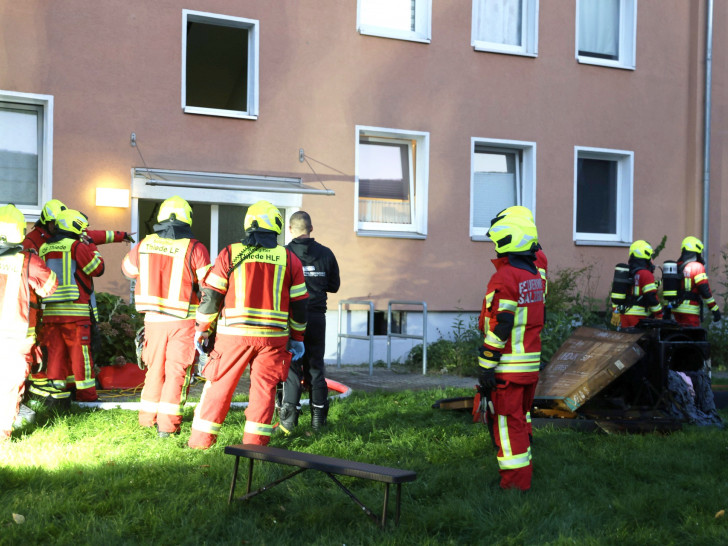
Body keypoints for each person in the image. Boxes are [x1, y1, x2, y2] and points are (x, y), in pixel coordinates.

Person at [188, 200, 308, 449]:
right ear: (276, 226)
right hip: (272, 338)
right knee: (264, 390)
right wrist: (298, 337)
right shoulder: (289, 258)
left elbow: (211, 297)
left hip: (234, 335)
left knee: (220, 385)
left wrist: (202, 329)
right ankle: (255, 446)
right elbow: (300, 305)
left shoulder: (230, 253)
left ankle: (201, 443)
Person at [121, 196, 210, 437]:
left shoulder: (144, 245)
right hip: (183, 321)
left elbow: (128, 270)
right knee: (176, 373)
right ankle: (168, 428)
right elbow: (209, 287)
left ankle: (147, 420)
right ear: (187, 219)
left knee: (154, 371)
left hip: (153, 321)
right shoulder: (195, 248)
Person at [478, 216, 545, 491]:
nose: (494, 249)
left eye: (496, 243)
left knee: (507, 428)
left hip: (507, 367)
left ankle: (514, 487)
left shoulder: (506, 276)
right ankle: (524, 477)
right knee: (520, 421)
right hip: (528, 366)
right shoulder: (533, 275)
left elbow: (501, 323)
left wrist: (486, 363)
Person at [278, 210, 340, 433]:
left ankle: (288, 423)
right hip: (316, 317)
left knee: (292, 368)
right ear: (311, 228)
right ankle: (317, 424)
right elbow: (334, 286)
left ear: (290, 229)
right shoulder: (326, 253)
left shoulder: (283, 254)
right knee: (315, 367)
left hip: (291, 317)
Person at [0, 205, 58, 440]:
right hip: (16, 336)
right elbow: (49, 288)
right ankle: (2, 435)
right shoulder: (29, 262)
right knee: (9, 387)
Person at [38, 209, 105, 402]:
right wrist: (92, 245)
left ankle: (59, 395)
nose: (84, 232)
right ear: (74, 225)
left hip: (51, 313)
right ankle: (86, 396)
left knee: (56, 354)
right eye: (82, 228)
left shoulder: (44, 248)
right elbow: (97, 269)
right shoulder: (76, 246)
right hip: (75, 313)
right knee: (80, 356)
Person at [612, 240, 663, 329]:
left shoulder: (627, 272)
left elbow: (617, 292)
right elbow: (651, 297)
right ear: (645, 254)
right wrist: (659, 314)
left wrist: (615, 312)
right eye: (650, 256)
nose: (652, 259)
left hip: (624, 316)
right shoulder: (646, 274)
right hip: (639, 318)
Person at [672, 236, 721, 326]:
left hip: (675, 310)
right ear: (697, 250)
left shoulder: (676, 266)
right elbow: (704, 290)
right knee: (692, 337)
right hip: (690, 311)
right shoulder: (697, 266)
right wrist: (714, 308)